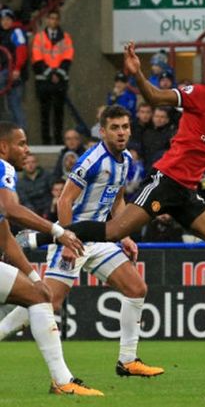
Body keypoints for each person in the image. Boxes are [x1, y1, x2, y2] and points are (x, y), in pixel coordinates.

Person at [19, 44, 205, 355]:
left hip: (186, 194)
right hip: (165, 182)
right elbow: (155, 98)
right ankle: (39, 238)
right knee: (113, 233)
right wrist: (137, 72)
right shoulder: (204, 94)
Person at [0, 105, 163, 377]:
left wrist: (125, 235)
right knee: (47, 301)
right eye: (115, 127)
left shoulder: (126, 161)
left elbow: (118, 200)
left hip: (100, 238)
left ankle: (128, 360)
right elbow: (65, 199)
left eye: (125, 127)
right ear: (102, 131)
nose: (121, 133)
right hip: (75, 236)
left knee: (136, 288)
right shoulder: (92, 160)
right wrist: (66, 240)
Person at [0, 121, 100, 394]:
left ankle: (62, 380)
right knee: (38, 297)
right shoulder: (2, 167)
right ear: (3, 146)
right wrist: (59, 231)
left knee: (38, 294)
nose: (27, 150)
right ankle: (63, 381)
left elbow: (6, 239)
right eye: (21, 143)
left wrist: (34, 277)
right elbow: (11, 209)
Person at [32, 9, 73, 145]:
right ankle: (46, 140)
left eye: (56, 18)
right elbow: (37, 58)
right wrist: (50, 73)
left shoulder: (65, 37)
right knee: (44, 112)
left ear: (58, 20)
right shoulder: (39, 37)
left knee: (59, 111)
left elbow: (68, 57)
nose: (53, 21)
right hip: (44, 81)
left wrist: (58, 73)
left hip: (60, 81)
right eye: (51, 18)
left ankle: (58, 139)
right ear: (47, 20)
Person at [0, 8, 26, 130]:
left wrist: (17, 68)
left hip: (12, 72)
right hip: (5, 71)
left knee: (15, 106)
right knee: (13, 106)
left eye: (7, 19)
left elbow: (21, 50)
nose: (5, 22)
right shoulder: (2, 34)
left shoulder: (16, 32)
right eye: (2, 20)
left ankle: (21, 134)